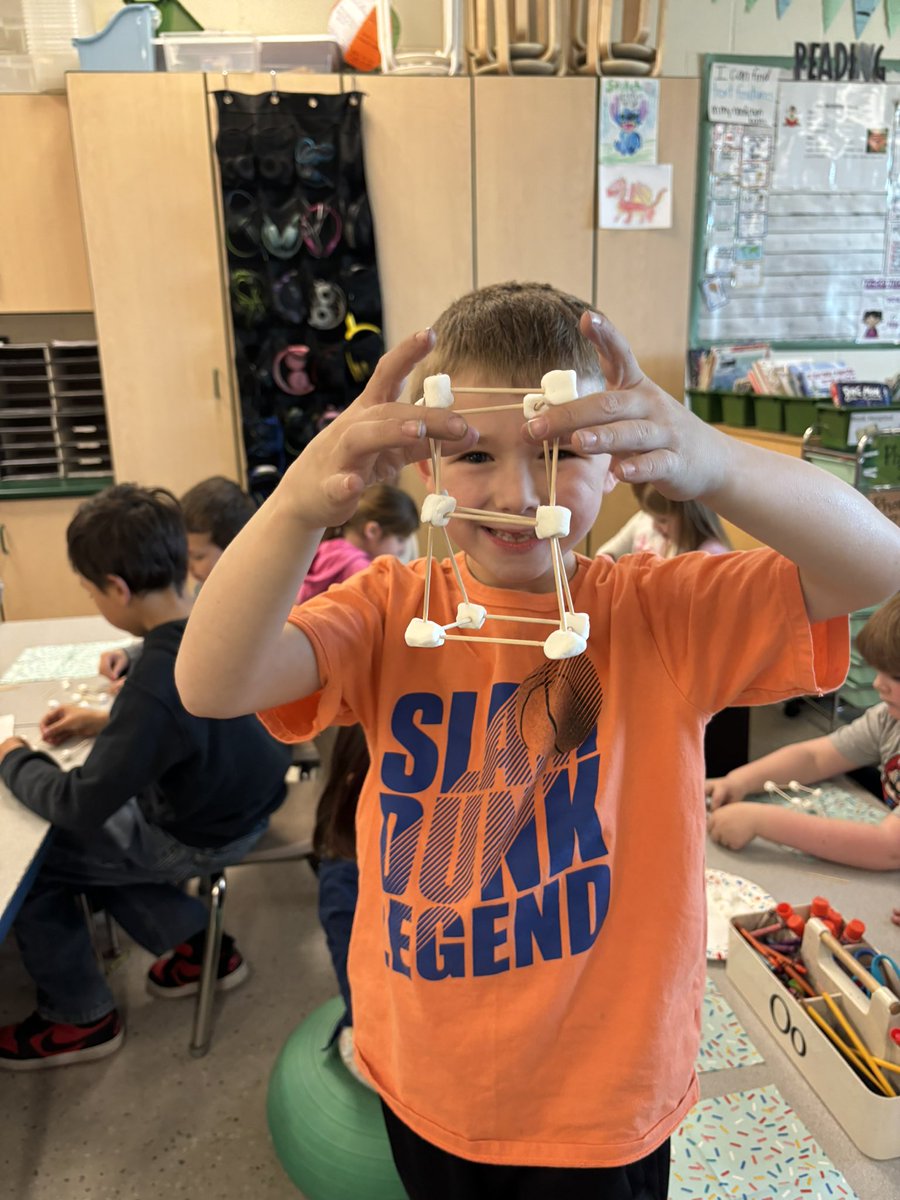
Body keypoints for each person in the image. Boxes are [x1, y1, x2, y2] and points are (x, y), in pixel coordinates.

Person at [175, 281, 900, 1198]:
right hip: (427, 1080)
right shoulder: (387, 611)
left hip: (600, 1102)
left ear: (618, 462)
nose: (516, 493)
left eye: (560, 451)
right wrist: (294, 507)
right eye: (474, 453)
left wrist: (710, 458)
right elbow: (210, 683)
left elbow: (877, 563)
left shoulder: (659, 614)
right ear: (428, 467)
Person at [0, 484, 291, 1069]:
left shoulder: (158, 682)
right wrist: (109, 718)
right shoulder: (219, 613)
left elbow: (79, 803)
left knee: (46, 859)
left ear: (117, 589)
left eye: (90, 590)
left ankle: (79, 1017)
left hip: (202, 832)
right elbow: (185, 720)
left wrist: (12, 757)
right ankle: (204, 947)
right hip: (251, 803)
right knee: (95, 842)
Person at [707, 594, 900, 923]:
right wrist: (739, 780)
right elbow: (816, 757)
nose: (878, 684)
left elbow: (889, 847)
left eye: (895, 678)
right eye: (879, 671)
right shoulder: (889, 718)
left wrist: (760, 821)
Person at [96, 475, 257, 691]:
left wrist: (150, 684)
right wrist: (131, 656)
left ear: (237, 548)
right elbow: (183, 639)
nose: (187, 566)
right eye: (185, 555)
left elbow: (212, 668)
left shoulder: (253, 603)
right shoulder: (206, 589)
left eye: (198, 556)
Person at [297, 481, 419, 602]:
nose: (402, 549)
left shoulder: (328, 546)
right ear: (372, 531)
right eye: (400, 540)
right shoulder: (360, 570)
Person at [597, 482, 730, 559]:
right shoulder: (644, 522)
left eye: (663, 520)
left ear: (688, 518)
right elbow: (605, 554)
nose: (655, 526)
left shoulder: (710, 554)